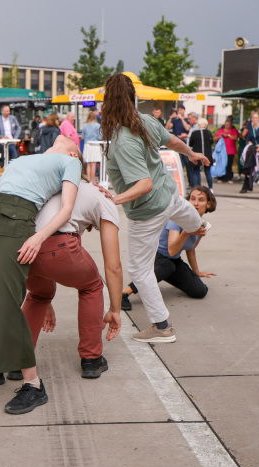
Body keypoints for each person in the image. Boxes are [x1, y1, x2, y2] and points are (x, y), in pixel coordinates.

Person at [0, 135, 83, 415]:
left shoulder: (70, 163)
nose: (67, 136)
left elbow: (67, 208)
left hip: (16, 222)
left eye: (74, 142)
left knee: (5, 303)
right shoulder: (26, 157)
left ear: (74, 153)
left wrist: (38, 238)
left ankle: (33, 385)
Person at [98, 72, 209, 343]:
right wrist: (191, 153)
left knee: (140, 271)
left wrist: (113, 200)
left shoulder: (123, 140)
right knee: (187, 214)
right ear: (133, 98)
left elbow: (143, 184)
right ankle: (200, 226)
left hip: (147, 210)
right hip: (168, 195)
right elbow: (173, 142)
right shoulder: (146, 120)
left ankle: (162, 328)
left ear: (108, 103)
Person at [15, 179, 122, 380]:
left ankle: (17, 362)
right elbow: (113, 266)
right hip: (57, 245)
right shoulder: (104, 198)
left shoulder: (51, 185)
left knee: (38, 294)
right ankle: (91, 359)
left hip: (23, 247)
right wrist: (115, 309)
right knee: (92, 285)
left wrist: (45, 298)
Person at [122, 186, 216, 311]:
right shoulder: (177, 219)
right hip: (156, 256)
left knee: (200, 291)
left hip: (172, 260)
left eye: (201, 200)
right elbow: (172, 250)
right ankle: (124, 293)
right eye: (192, 199)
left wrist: (197, 271)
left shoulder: (202, 224)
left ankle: (163, 274)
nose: (196, 203)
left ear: (208, 204)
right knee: (168, 266)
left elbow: (191, 249)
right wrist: (186, 232)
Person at [241, 111, 259, 194]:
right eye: (253, 118)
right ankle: (246, 187)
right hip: (253, 149)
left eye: (256, 118)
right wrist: (249, 143)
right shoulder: (250, 127)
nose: (254, 119)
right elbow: (247, 137)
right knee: (249, 167)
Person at [188, 118, 214, 188]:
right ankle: (210, 188)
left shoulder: (194, 133)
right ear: (205, 125)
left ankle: (195, 187)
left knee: (195, 171)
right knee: (208, 172)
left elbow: (190, 144)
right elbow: (211, 142)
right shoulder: (208, 133)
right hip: (207, 154)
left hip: (197, 154)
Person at [80, 111, 102, 182]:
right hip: (95, 145)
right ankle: (92, 180)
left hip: (87, 145)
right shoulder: (97, 125)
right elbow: (100, 137)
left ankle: (88, 179)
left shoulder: (85, 126)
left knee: (88, 164)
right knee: (93, 163)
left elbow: (83, 136)